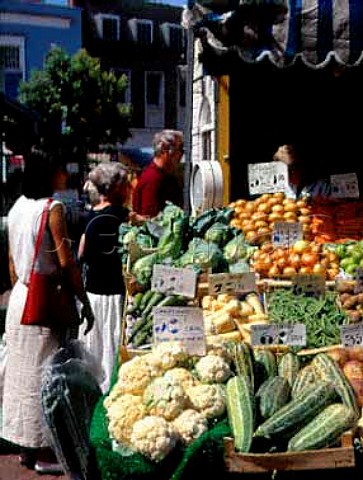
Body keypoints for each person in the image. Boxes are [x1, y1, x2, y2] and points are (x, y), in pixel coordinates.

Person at [2, 148, 95, 474]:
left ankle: (27, 450)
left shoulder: (16, 208)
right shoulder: (51, 209)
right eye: (60, 167)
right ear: (49, 173)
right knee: (47, 378)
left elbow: (12, 262)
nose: (65, 173)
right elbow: (67, 263)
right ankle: (46, 450)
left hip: (21, 299)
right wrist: (82, 299)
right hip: (43, 304)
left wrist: (22, 287)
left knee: (22, 378)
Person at [77, 162, 130, 394]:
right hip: (114, 294)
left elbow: (81, 253)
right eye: (126, 184)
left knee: (96, 350)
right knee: (112, 346)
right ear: (116, 188)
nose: (129, 188)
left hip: (93, 294)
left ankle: (93, 388)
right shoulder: (123, 217)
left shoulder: (89, 216)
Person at [130, 129, 184, 221]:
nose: (182, 154)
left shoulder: (167, 176)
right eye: (180, 149)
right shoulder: (153, 179)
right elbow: (149, 220)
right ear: (164, 149)